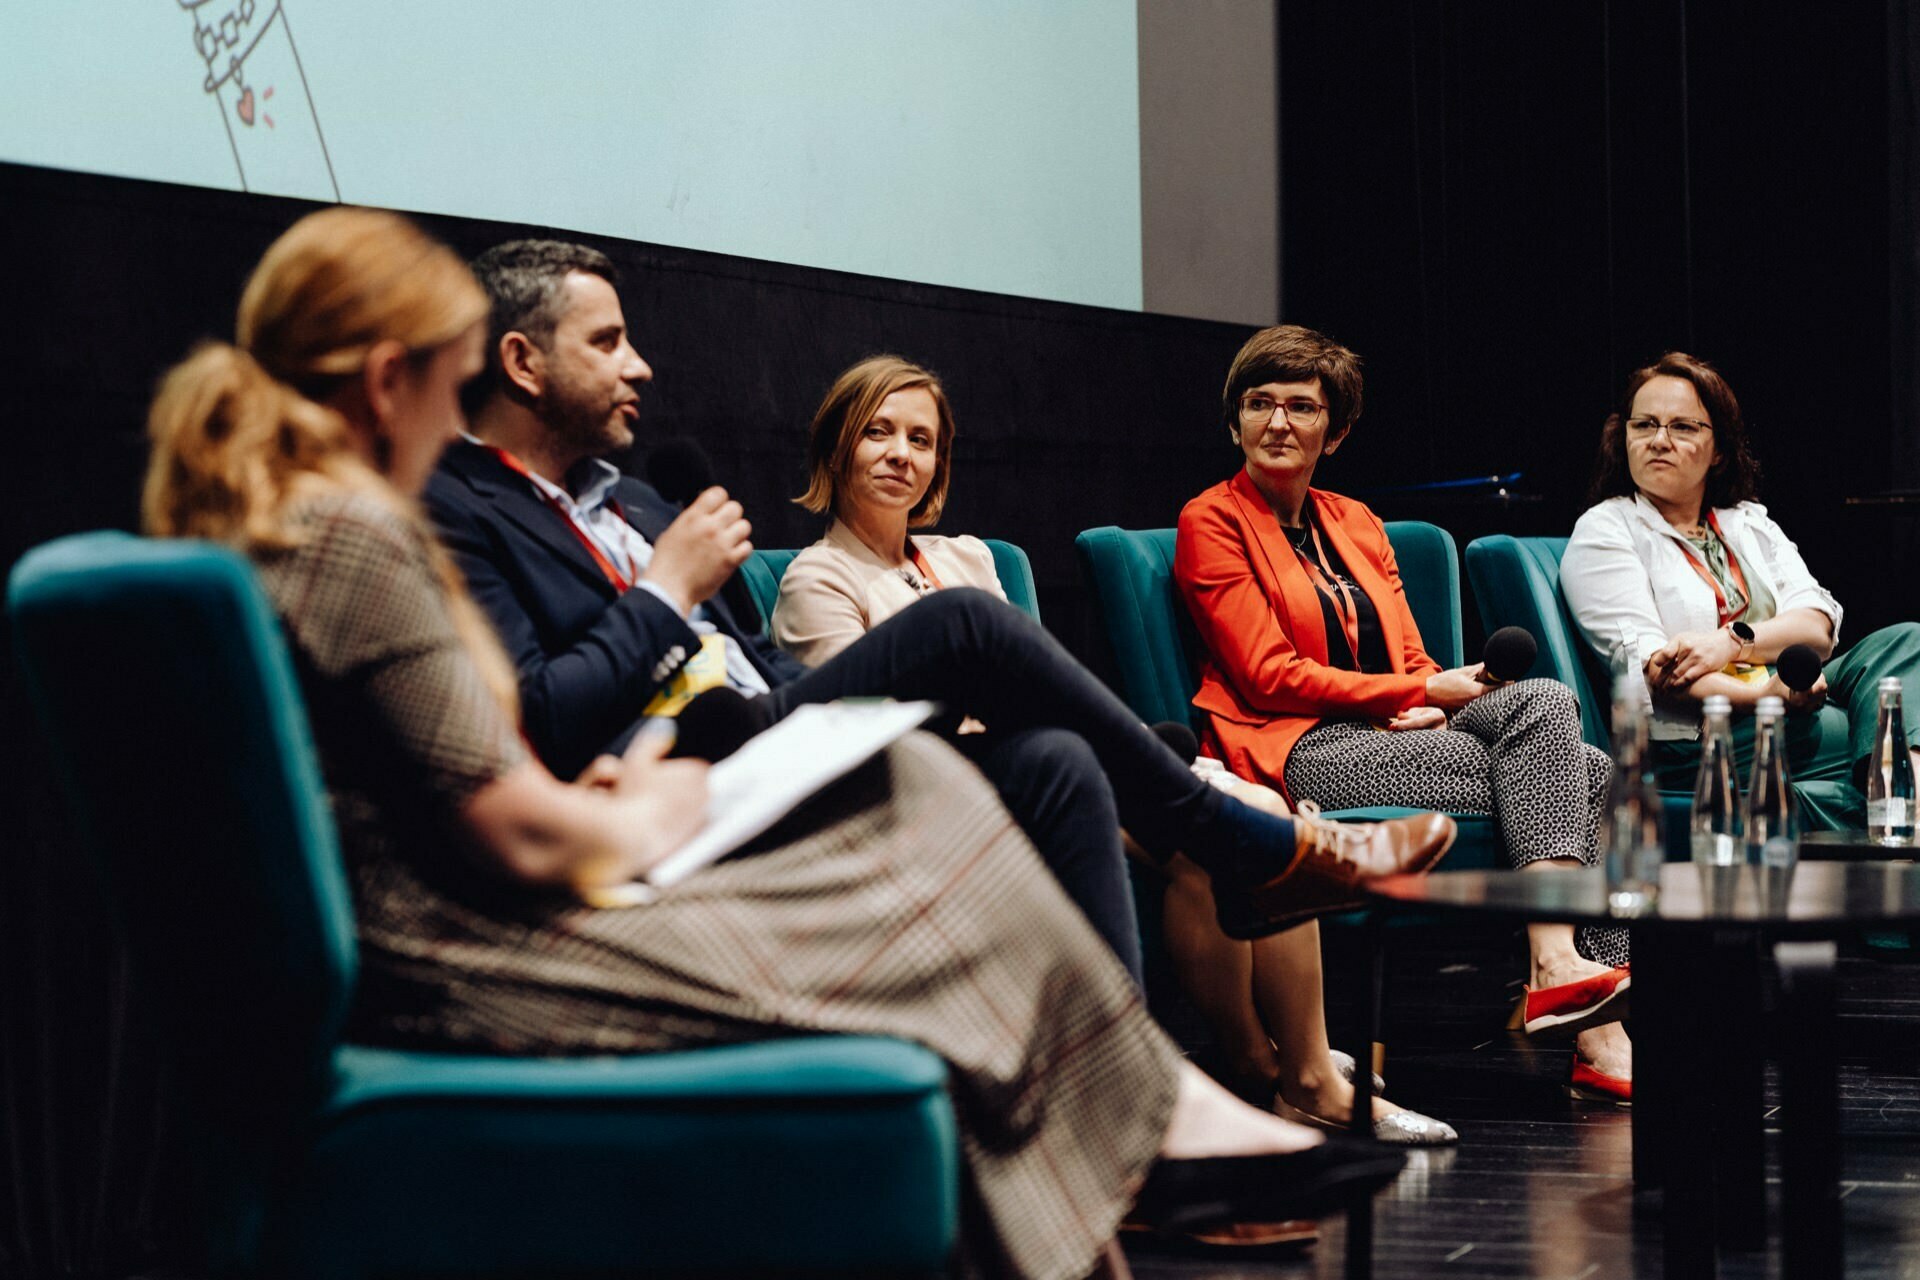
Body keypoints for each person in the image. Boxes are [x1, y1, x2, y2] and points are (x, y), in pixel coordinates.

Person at [140, 206, 1424, 1280]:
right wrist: (645, 779)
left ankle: (1137, 1127)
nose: (636, 365)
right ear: (392, 379)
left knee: (1008, 771)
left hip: (526, 864)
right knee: (937, 767)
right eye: (452, 363)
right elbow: (509, 809)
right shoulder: (370, 532)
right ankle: (1146, 1106)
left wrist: (614, 775)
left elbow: (450, 769)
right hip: (484, 944)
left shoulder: (307, 524)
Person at [424, 240, 1456, 960]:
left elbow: (760, 664)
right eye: (606, 342)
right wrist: (661, 593)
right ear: (520, 359)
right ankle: (1248, 847)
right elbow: (539, 718)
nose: (639, 363)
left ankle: (1120, 1119)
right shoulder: (456, 509)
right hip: (681, 776)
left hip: (765, 725)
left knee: (1055, 759)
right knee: (966, 622)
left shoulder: (641, 500)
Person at [773, 353, 1456, 1146]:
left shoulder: (968, 557)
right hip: (946, 788)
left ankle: (1302, 1074)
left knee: (1256, 805)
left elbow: (1030, 683)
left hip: (1038, 755)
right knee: (1214, 813)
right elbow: (869, 736)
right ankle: (1258, 1073)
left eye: (920, 439)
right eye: (878, 434)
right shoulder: (816, 579)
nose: (901, 454)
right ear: (835, 449)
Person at [1173, 324, 1632, 1104]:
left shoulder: (1355, 521)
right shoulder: (1209, 521)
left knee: (1581, 753)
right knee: (1576, 767)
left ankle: (1580, 1002)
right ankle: (1577, 999)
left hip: (1390, 729)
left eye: (1300, 407)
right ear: (1235, 422)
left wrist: (1440, 692)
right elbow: (1268, 676)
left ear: (1336, 430)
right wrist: (1415, 697)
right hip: (1299, 747)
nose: (1278, 423)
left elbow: (1411, 660)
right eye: (1259, 405)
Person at [1562, 351, 1920, 827]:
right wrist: (1764, 695)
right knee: (1874, 722)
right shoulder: (1606, 530)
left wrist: (1730, 642)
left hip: (1793, 698)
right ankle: (1905, 807)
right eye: (1644, 425)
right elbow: (1657, 672)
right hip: (1698, 735)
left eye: (1682, 427)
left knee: (1903, 641)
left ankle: (1901, 808)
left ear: (1720, 451)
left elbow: (1817, 623)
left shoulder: (1746, 520)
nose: (1658, 441)